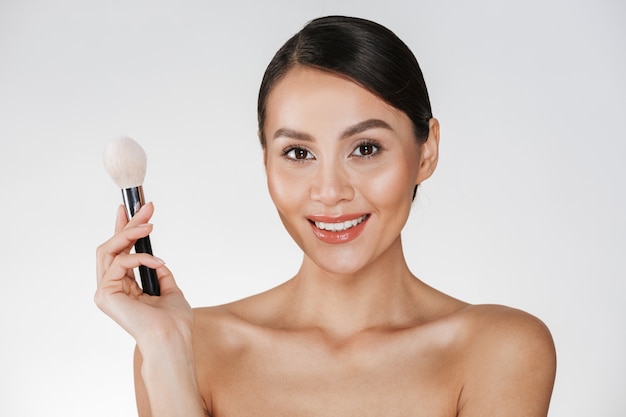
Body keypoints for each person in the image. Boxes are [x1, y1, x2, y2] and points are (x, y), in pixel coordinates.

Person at [95, 15, 556, 417]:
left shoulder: (500, 350)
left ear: (426, 151)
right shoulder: (190, 349)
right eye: (298, 152)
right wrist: (167, 349)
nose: (330, 192)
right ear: (266, 162)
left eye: (366, 149)